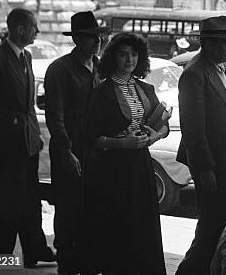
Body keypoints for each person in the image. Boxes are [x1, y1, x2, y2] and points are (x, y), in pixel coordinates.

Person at [0, 8, 55, 267]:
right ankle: (1, 258)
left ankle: (34, 250)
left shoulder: (26, 57)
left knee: (30, 203)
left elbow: (27, 103)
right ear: (19, 28)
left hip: (27, 144)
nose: (37, 31)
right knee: (6, 206)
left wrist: (34, 134)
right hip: (4, 147)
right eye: (34, 27)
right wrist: (10, 120)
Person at [80, 31, 170, 275]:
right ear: (113, 58)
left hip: (140, 167)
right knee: (117, 230)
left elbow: (164, 124)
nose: (129, 60)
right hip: (111, 170)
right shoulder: (102, 92)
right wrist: (123, 144)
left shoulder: (145, 88)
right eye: (123, 54)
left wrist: (156, 136)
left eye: (133, 54)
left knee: (141, 228)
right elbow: (89, 138)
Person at [175, 16, 226, 275]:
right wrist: (205, 169)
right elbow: (193, 128)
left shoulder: (218, 68)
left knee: (219, 226)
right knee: (211, 228)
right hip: (212, 166)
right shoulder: (194, 73)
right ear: (211, 44)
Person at [44, 11, 110, 275]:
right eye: (90, 37)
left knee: (92, 211)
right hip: (69, 150)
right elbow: (54, 116)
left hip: (96, 150)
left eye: (98, 37)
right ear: (77, 39)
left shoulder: (101, 68)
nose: (97, 42)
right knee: (68, 211)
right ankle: (66, 263)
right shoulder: (59, 69)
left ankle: (87, 259)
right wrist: (66, 152)